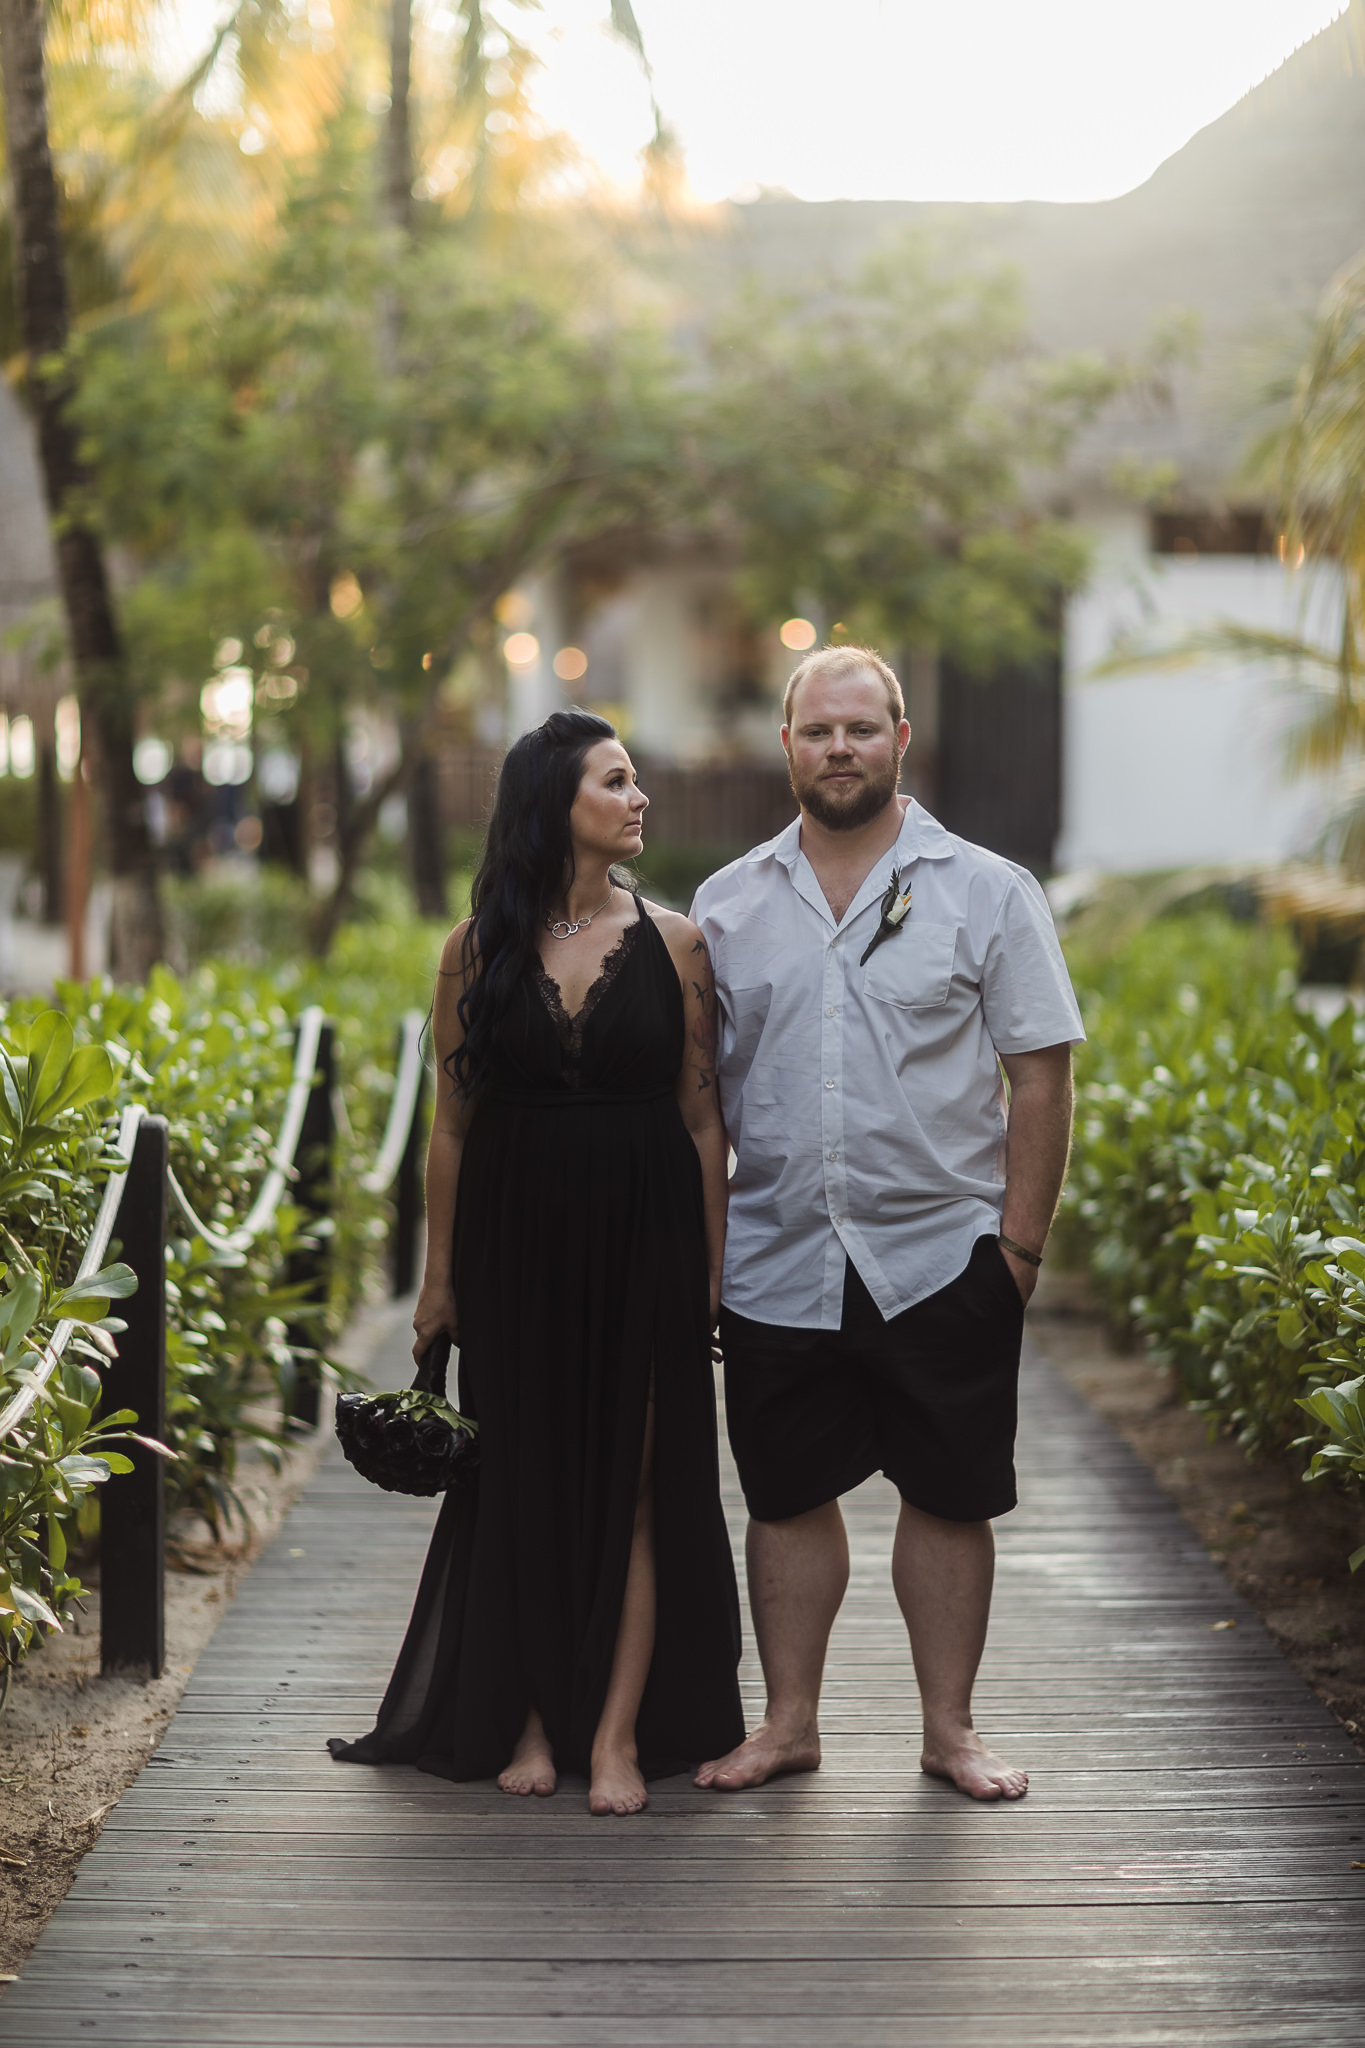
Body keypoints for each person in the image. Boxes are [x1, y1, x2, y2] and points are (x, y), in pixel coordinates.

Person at [329, 710, 744, 1815]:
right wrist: (436, 1278)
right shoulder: (474, 948)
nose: (640, 795)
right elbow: (452, 1127)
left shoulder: (681, 941)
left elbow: (703, 1122)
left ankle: (612, 1732)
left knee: (645, 1487)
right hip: (513, 1243)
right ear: (556, 801)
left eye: (637, 777)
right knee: (522, 1478)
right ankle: (525, 1717)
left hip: (647, 1236)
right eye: (616, 780)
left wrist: (709, 1270)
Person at [690, 644, 1083, 1803]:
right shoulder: (727, 904)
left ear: (901, 737)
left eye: (862, 728)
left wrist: (1015, 1252)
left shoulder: (988, 888)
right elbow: (702, 1102)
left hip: (940, 1256)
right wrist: (708, 1262)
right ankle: (792, 1722)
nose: (841, 748)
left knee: (950, 1493)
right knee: (785, 1493)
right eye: (819, 731)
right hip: (776, 1257)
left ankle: (949, 1730)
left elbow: (1043, 1080)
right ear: (788, 746)